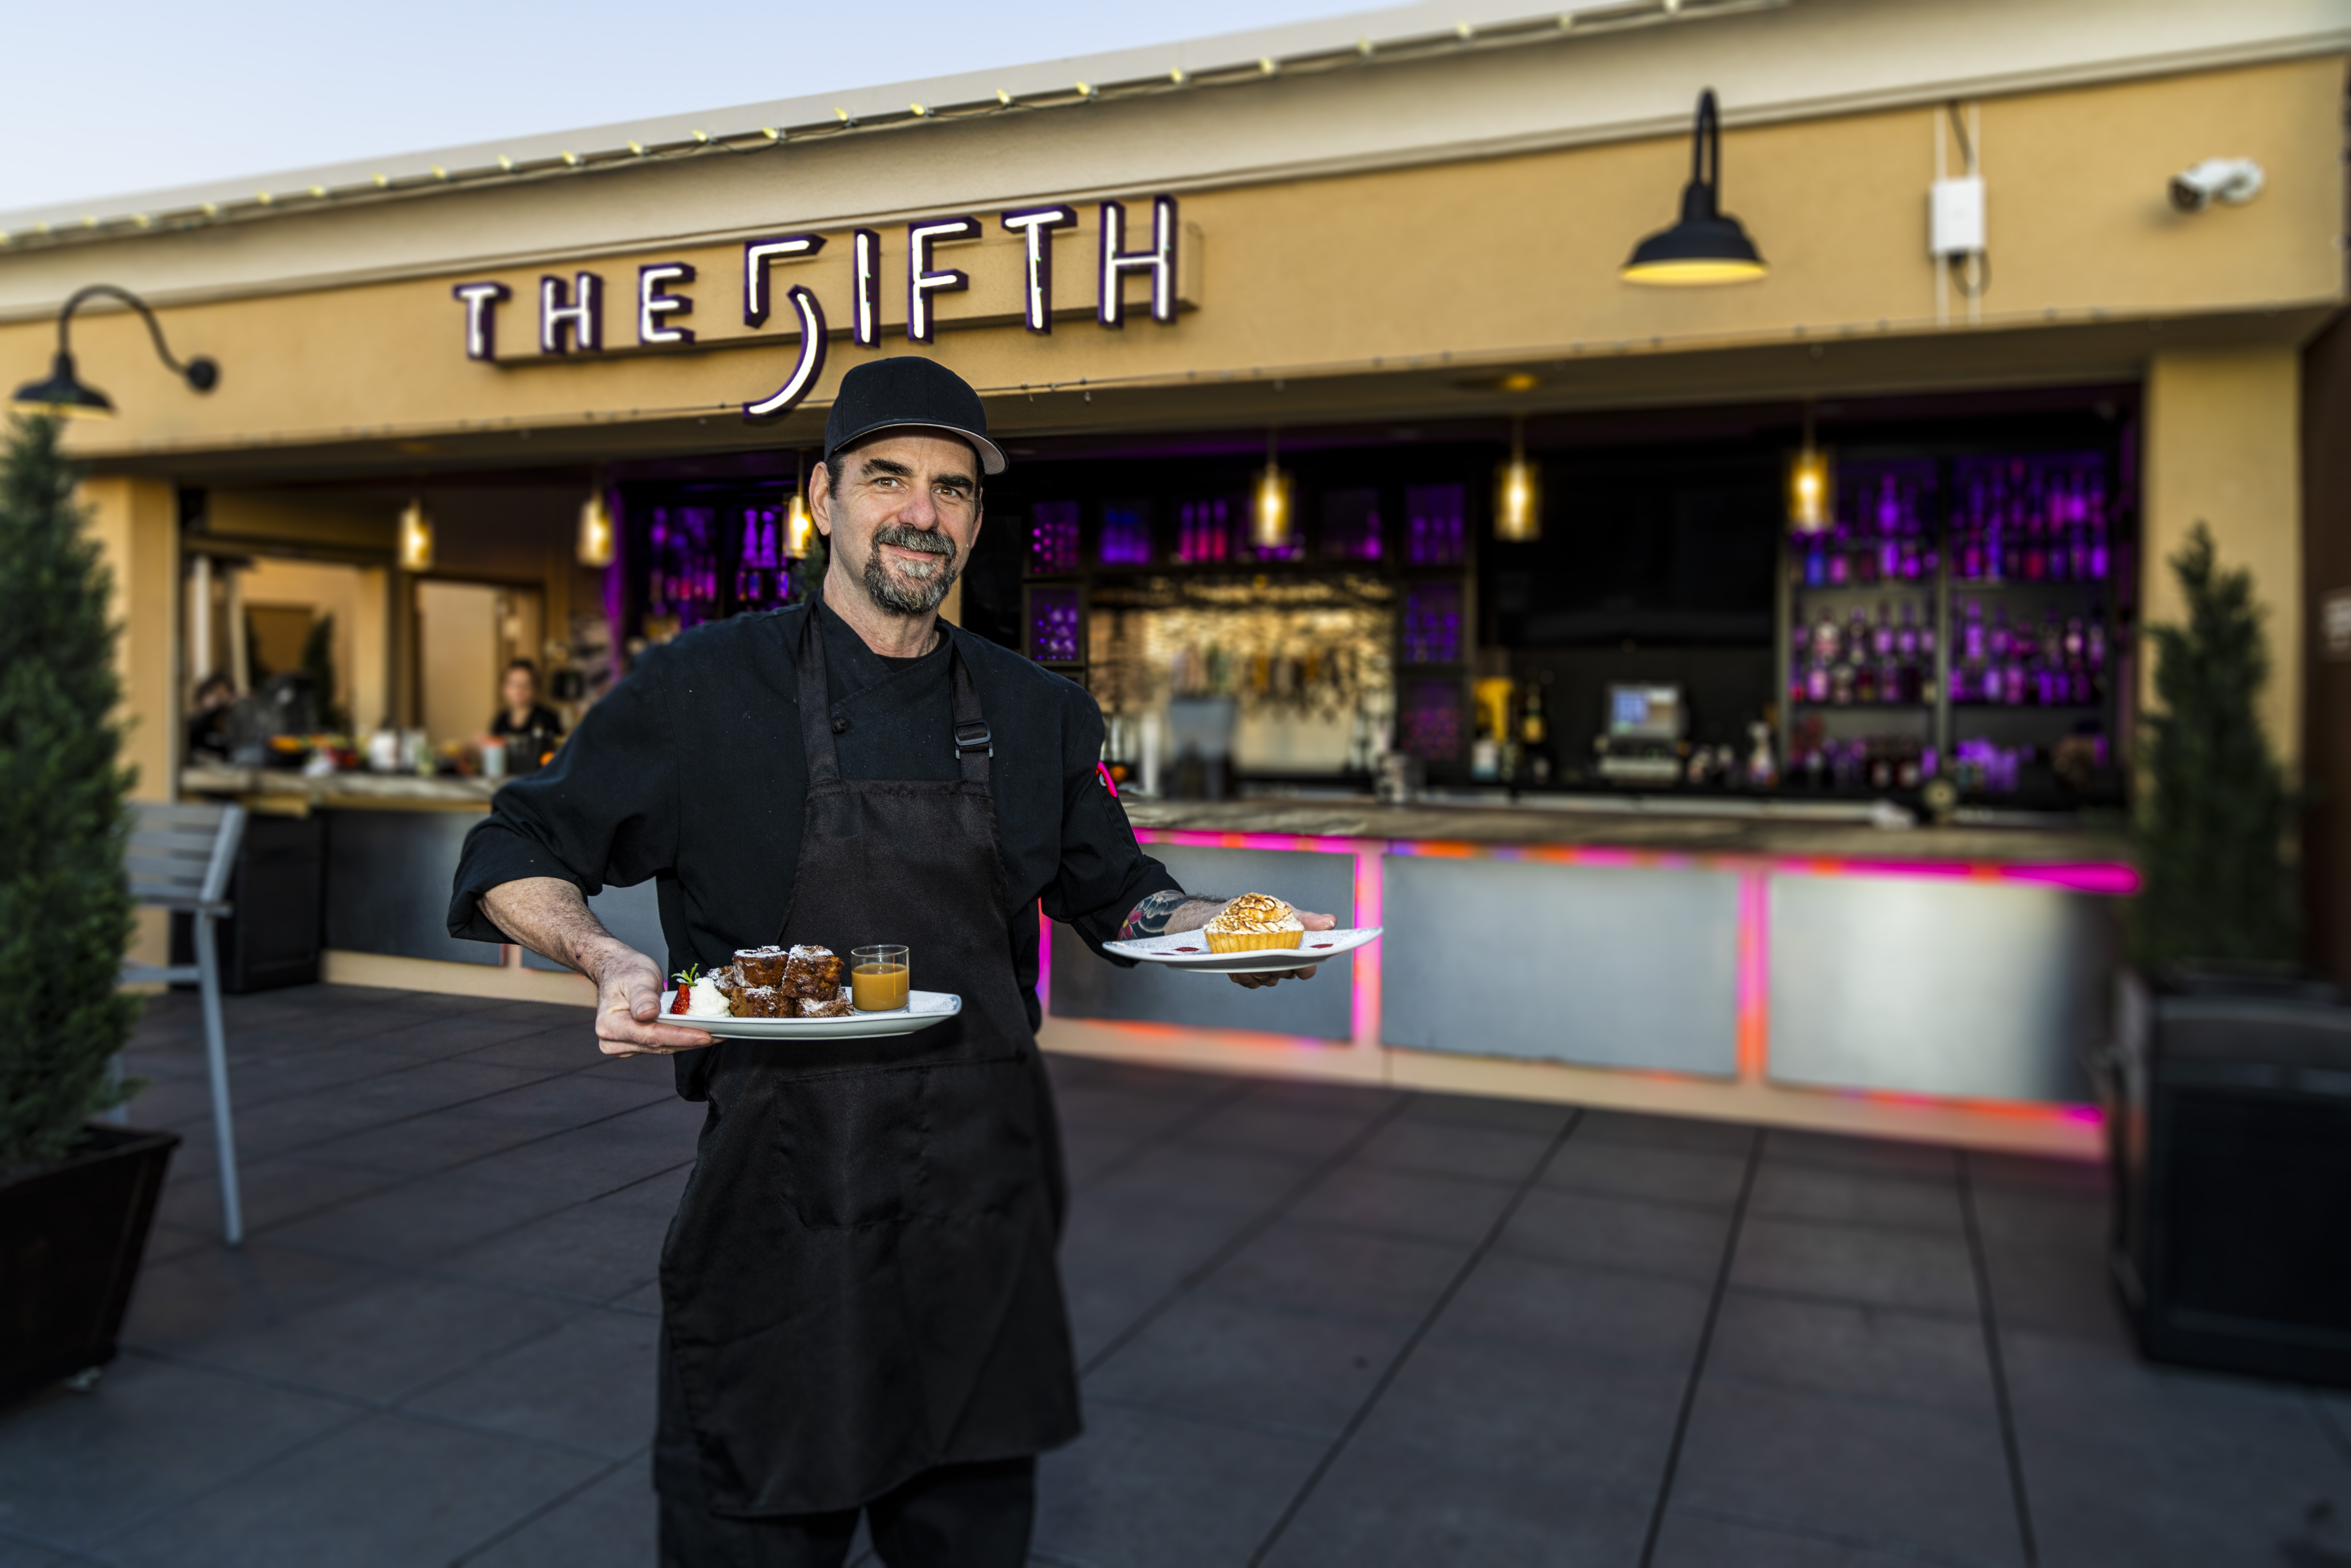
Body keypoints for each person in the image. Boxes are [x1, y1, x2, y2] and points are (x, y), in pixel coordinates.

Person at [445, 356, 1333, 1568]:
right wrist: (602, 955)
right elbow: (516, 846)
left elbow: (1125, 898)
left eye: (955, 489)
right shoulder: (701, 692)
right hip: (777, 1217)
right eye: (887, 478)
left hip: (980, 1221)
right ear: (822, 498)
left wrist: (1237, 931)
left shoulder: (1039, 713)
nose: (924, 510)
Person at [489, 659, 565, 775]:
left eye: (526, 685)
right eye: (514, 684)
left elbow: (560, 755)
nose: (519, 690)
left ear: (535, 688)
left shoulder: (548, 718)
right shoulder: (501, 720)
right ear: (504, 688)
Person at [184, 672, 237, 762]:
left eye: (221, 696)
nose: (217, 700)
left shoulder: (230, 728)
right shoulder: (195, 725)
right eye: (214, 694)